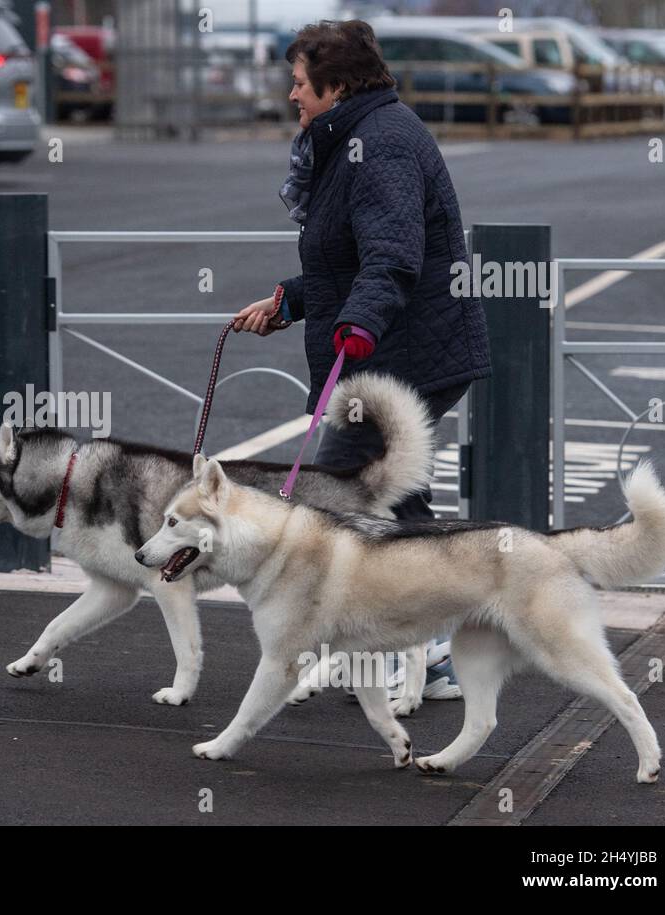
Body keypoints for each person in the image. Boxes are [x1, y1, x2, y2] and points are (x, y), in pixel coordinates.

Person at [233, 19, 492, 699]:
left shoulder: (379, 143)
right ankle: (430, 644)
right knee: (389, 491)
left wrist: (356, 325)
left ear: (336, 85)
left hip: (405, 351)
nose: (292, 95)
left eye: (299, 83)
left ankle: (432, 644)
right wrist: (290, 302)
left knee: (357, 484)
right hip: (395, 343)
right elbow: (348, 259)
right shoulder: (357, 135)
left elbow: (393, 254)